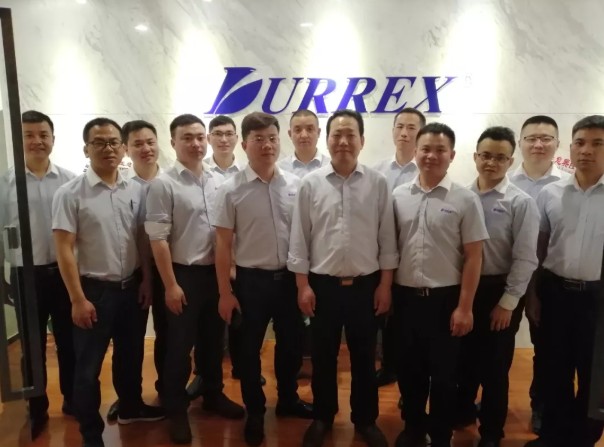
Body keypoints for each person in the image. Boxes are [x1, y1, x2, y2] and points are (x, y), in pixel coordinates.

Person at [289, 109, 398, 447]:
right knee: (323, 356)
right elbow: (299, 238)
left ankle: (365, 420)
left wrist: (385, 285)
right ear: (327, 140)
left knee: (365, 358)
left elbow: (387, 239)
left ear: (362, 140)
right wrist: (302, 285)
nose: (344, 141)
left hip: (366, 286)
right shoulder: (310, 184)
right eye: (337, 134)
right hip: (322, 287)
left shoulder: (378, 183)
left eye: (351, 134)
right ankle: (322, 416)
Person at [52, 117, 164, 447]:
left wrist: (146, 280)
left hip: (131, 288)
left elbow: (140, 239)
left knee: (130, 357)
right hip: (94, 292)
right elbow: (64, 249)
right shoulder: (70, 193)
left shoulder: (135, 189)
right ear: (86, 149)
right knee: (87, 369)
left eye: (114, 142)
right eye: (99, 142)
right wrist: (77, 299)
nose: (108, 148)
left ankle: (131, 407)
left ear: (123, 147)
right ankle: (91, 434)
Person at [215, 111, 313, 446]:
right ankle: (255, 410)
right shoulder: (230, 190)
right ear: (244, 145)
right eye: (258, 139)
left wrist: (303, 283)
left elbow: (304, 236)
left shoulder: (296, 185)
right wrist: (225, 292)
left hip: (288, 281)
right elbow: (222, 244)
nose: (267, 145)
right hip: (250, 282)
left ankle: (288, 399)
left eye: (272, 138)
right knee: (247, 350)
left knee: (292, 345)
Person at [145, 113, 244, 444]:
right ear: (173, 142)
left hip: (215, 274)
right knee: (178, 346)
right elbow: (158, 239)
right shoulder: (163, 184)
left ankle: (212, 394)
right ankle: (175, 409)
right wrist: (171, 285)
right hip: (182, 275)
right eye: (187, 137)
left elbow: (226, 232)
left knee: (213, 340)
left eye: (200, 137)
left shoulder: (217, 180)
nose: (196, 143)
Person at [391, 122, 488, 447]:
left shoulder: (465, 199)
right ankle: (413, 429)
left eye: (440, 150)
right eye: (425, 149)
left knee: (445, 375)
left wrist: (465, 307)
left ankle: (441, 434)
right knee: (409, 370)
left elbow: (474, 257)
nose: (431, 156)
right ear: (415, 152)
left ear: (452, 155)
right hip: (406, 299)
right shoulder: (398, 196)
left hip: (446, 300)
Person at [456, 126, 539, 447]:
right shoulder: (461, 196)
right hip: (464, 291)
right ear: (475, 156)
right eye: (486, 155)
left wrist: (508, 302)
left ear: (510, 161)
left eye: (500, 158)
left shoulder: (520, 202)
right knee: (463, 359)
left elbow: (526, 258)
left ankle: (491, 432)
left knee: (494, 367)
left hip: (499, 292)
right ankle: (462, 411)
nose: (491, 163)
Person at [525, 115, 604, 447]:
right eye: (580, 143)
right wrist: (533, 296)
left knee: (594, 375)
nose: (586, 151)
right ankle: (553, 436)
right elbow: (538, 250)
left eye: (597, 144)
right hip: (555, 293)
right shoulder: (550, 194)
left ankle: (583, 440)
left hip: (597, 299)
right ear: (570, 148)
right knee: (552, 370)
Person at [0, 110, 76, 439]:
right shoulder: (5, 185)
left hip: (65, 274)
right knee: (32, 347)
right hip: (25, 274)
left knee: (70, 342)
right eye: (29, 135)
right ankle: (37, 408)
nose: (37, 141)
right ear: (19, 140)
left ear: (53, 139)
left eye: (43, 134)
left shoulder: (69, 181)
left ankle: (73, 399)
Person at [187, 114, 267, 400]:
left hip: (240, 265)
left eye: (228, 133)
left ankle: (242, 369)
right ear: (209, 139)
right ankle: (205, 377)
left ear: (238, 139)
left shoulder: (249, 173)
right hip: (205, 262)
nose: (223, 139)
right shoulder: (201, 173)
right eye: (217, 134)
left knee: (240, 325)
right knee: (207, 329)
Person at [508, 115, 569, 434]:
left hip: (547, 280)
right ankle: (486, 402)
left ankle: (541, 406)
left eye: (546, 138)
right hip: (505, 276)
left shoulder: (568, 185)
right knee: (495, 346)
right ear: (520, 143)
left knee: (546, 349)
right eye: (531, 138)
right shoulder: (505, 180)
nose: (538, 144)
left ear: (558, 144)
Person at [105, 120, 165, 422]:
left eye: (150, 142)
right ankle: (129, 398)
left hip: (171, 271)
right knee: (129, 342)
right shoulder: (122, 185)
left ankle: (167, 392)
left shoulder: (171, 180)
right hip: (137, 272)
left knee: (169, 337)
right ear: (126, 149)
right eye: (138, 144)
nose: (146, 148)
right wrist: (146, 277)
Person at [371, 107, 426, 391]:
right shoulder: (377, 171)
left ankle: (410, 379)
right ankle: (388, 367)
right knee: (384, 317)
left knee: (409, 323)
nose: (404, 133)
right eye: (400, 126)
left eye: (412, 128)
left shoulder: (427, 168)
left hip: (413, 258)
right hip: (380, 257)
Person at [278, 109, 329, 177]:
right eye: (298, 130)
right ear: (290, 134)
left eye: (309, 129)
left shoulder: (331, 167)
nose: (304, 135)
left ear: (318, 132)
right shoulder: (279, 169)